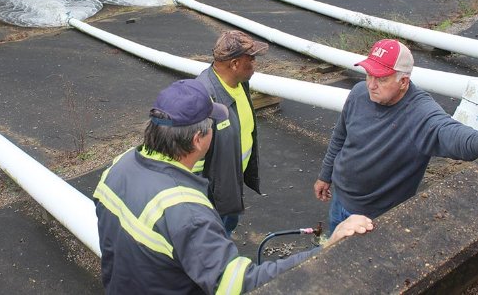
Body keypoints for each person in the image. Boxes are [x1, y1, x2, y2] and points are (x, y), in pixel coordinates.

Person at [93, 79, 374, 294]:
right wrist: (325, 250)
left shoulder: (120, 165)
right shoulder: (184, 209)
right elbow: (237, 284)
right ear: (198, 140)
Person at [314, 39, 478, 233]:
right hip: (340, 200)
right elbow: (340, 136)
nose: (371, 85)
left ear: (403, 82)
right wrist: (325, 175)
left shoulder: (420, 114)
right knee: (333, 255)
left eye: (381, 79)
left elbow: (453, 135)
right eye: (369, 75)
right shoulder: (359, 93)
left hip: (374, 217)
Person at [195, 30, 268, 237]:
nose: (255, 63)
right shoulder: (204, 99)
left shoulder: (239, 82)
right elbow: (192, 163)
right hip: (213, 199)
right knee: (214, 240)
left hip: (230, 185)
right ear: (235, 64)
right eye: (251, 59)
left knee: (227, 227)